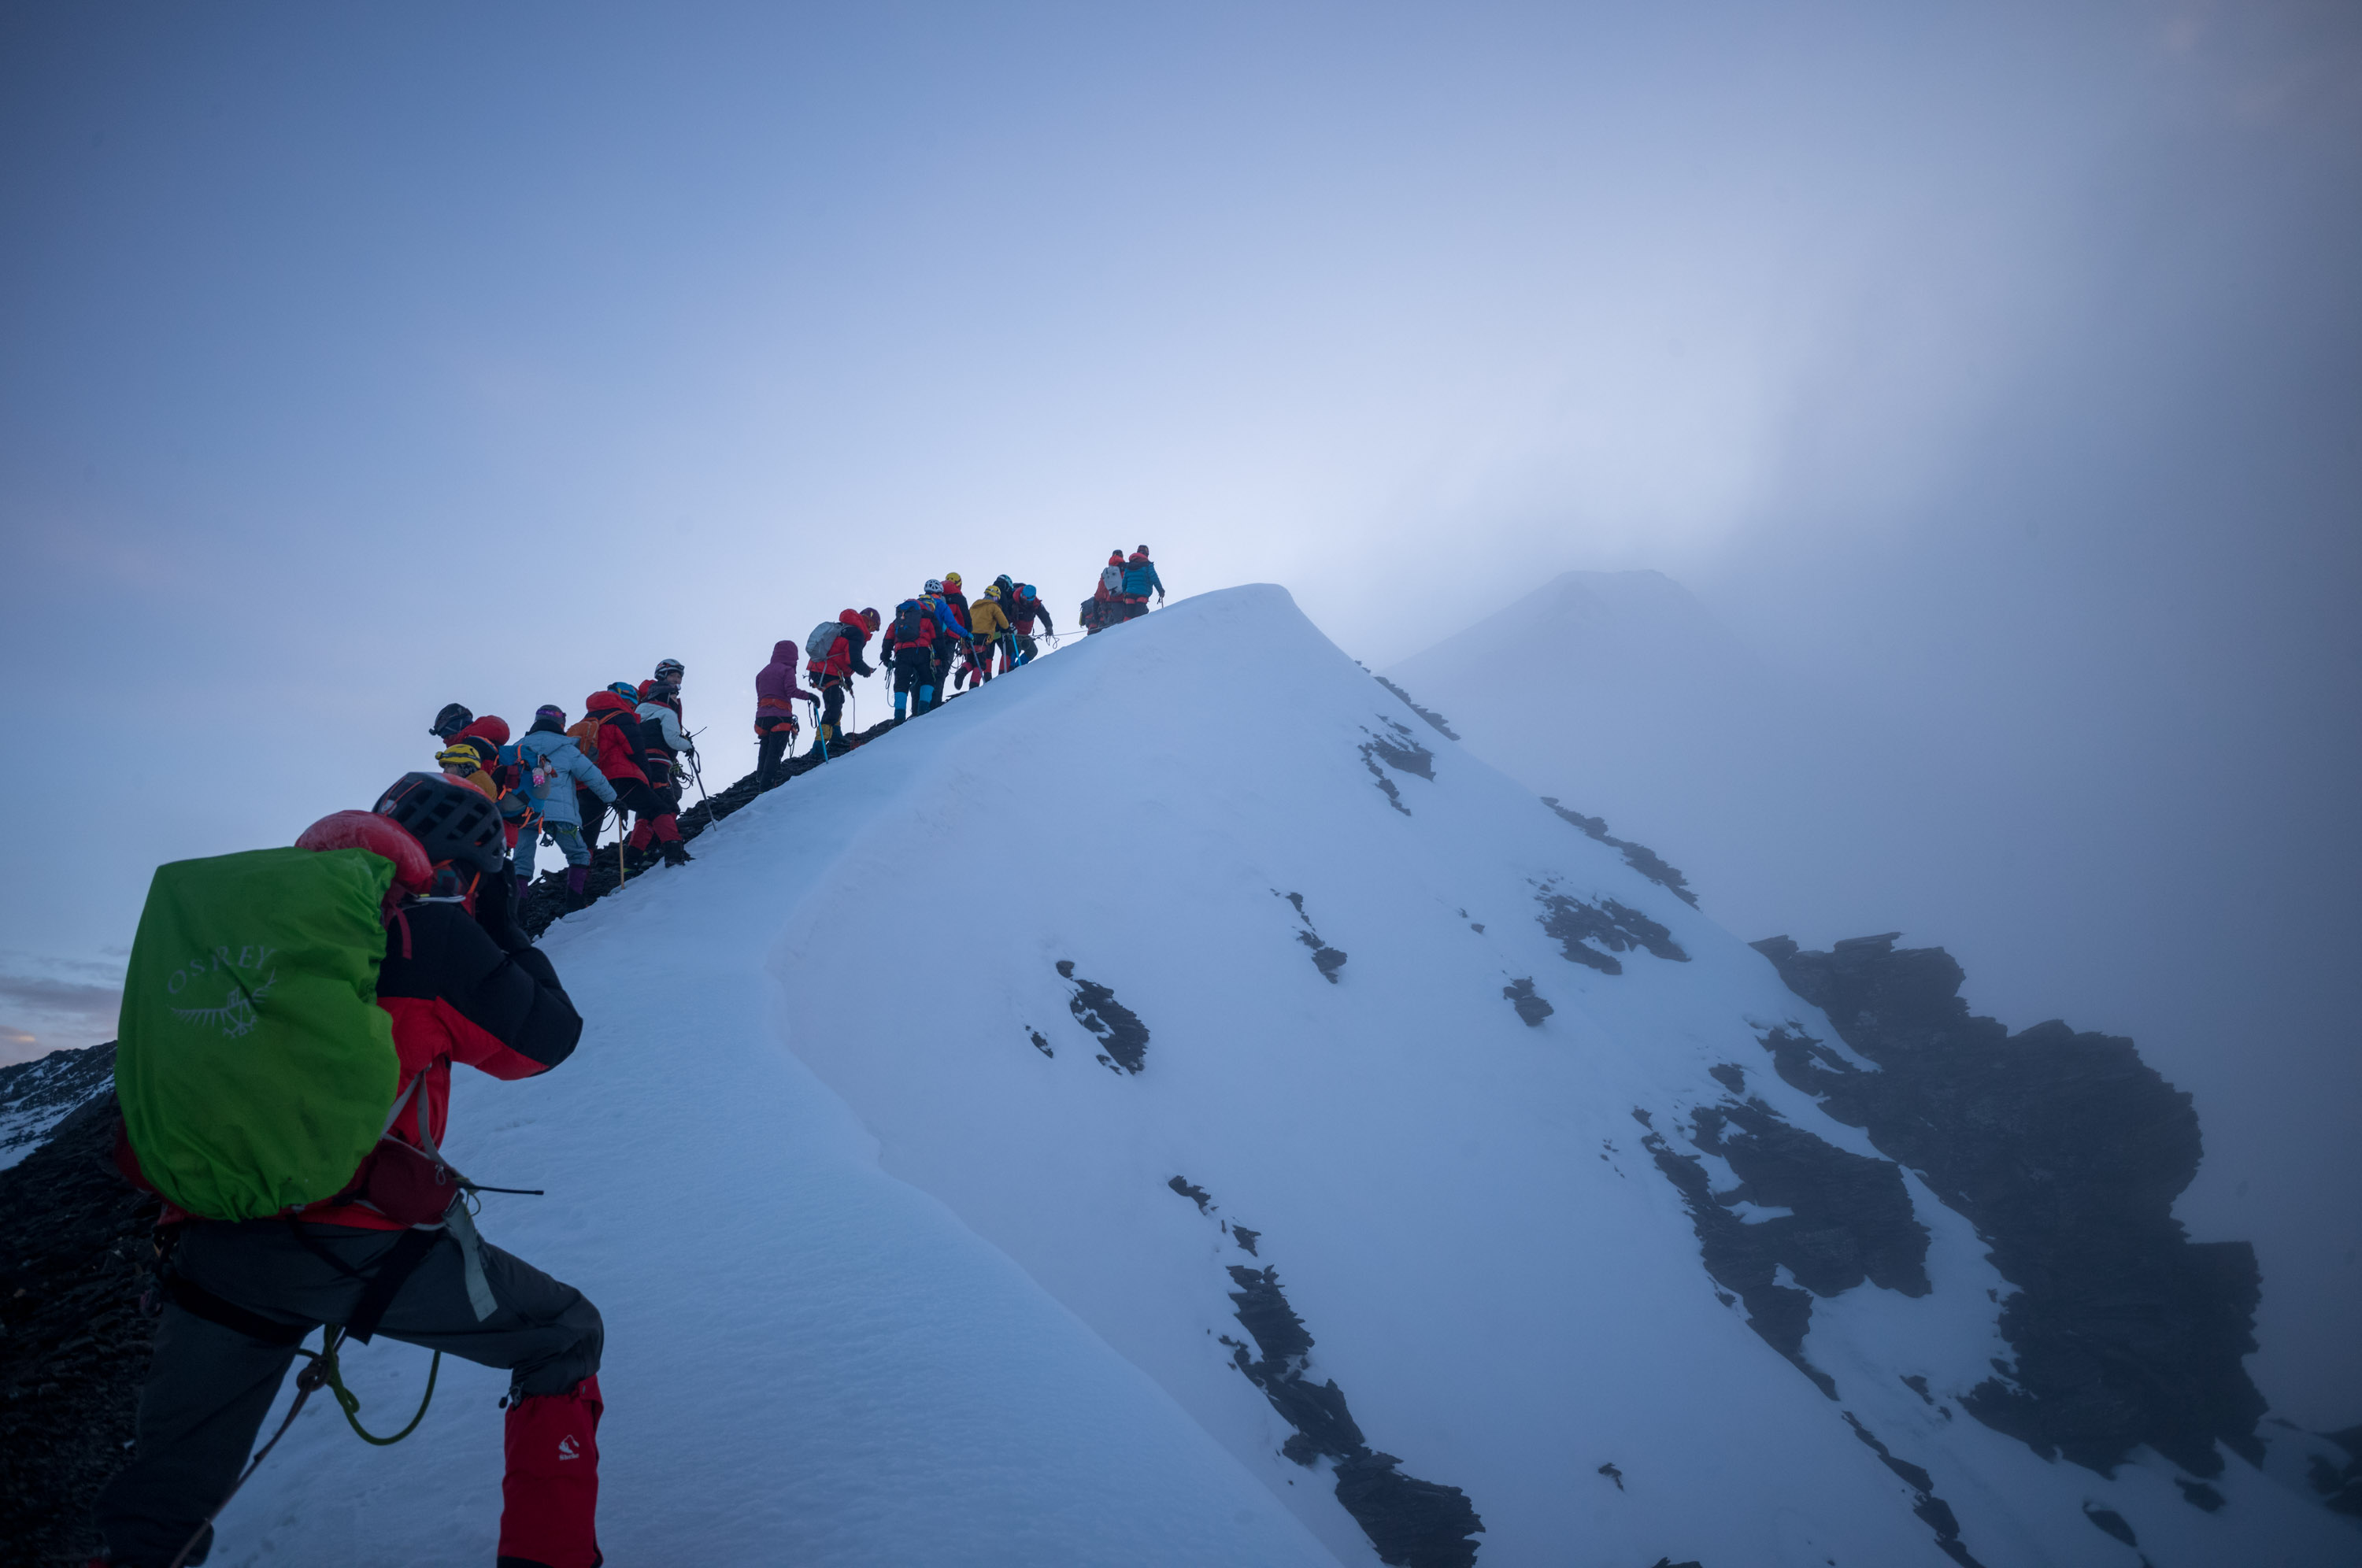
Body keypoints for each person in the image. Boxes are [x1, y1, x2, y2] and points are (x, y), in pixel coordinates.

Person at [95, 776, 603, 1568]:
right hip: (354, 1242)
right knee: (564, 1335)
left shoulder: (246, 923)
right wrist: (504, 932)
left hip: (212, 1243)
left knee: (165, 1508)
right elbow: (546, 1041)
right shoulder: (427, 932)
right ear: (456, 869)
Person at [514, 704, 613, 908]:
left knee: (521, 861)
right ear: (561, 724)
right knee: (579, 854)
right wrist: (613, 798)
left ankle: (518, 914)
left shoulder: (519, 747)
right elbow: (593, 777)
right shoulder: (567, 749)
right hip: (559, 815)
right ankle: (574, 906)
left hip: (524, 812)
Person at [583, 683, 687, 867]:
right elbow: (635, 750)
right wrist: (645, 777)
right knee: (659, 807)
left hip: (590, 782)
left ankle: (581, 882)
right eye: (632, 704)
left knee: (588, 836)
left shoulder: (588, 720)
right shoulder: (623, 716)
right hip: (622, 777)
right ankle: (674, 854)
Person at [628, 667, 696, 867]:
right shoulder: (667, 712)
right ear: (666, 695)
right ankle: (673, 852)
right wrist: (688, 746)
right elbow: (673, 740)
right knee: (667, 806)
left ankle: (632, 860)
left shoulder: (637, 712)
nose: (676, 698)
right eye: (673, 695)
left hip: (639, 766)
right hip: (659, 763)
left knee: (646, 810)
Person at [806, 608, 880, 756]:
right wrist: (866, 671)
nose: (872, 631)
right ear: (869, 621)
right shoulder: (857, 633)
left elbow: (841, 657)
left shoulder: (847, 628)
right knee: (834, 705)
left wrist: (848, 681)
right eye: (874, 627)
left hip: (821, 669)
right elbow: (853, 660)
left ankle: (836, 735)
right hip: (826, 670)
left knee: (838, 699)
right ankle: (819, 745)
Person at [754, 640, 818, 786]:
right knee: (775, 752)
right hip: (780, 717)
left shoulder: (762, 673)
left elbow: (760, 697)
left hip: (761, 718)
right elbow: (791, 691)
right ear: (792, 656)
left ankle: (760, 776)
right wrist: (810, 696)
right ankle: (766, 784)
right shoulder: (786, 670)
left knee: (765, 746)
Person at [887, 594, 948, 719]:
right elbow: (937, 638)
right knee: (927, 679)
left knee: (901, 684)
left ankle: (899, 716)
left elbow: (888, 639)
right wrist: (943, 657)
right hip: (922, 652)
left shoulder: (900, 618)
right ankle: (923, 709)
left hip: (902, 653)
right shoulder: (929, 616)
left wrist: (885, 658)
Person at [968, 584, 1011, 684]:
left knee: (970, 661)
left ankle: (963, 672)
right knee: (980, 664)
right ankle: (974, 686)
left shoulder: (975, 605)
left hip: (970, 637)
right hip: (984, 637)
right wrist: (1007, 628)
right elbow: (1004, 623)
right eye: (996, 598)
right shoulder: (994, 606)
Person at [1006, 582, 1054, 667]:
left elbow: (1044, 615)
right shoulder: (1014, 600)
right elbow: (1005, 614)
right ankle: (1010, 668)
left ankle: (1017, 668)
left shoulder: (1036, 604)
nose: (1023, 599)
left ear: (1032, 598)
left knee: (1033, 651)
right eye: (1023, 596)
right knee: (1016, 649)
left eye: (1026, 598)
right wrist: (1008, 626)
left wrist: (1049, 626)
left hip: (1025, 634)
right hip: (1013, 632)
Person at [1119, 545, 1165, 621]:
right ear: (1146, 554)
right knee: (1139, 617)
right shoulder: (1148, 565)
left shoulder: (1129, 566)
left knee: (1128, 616)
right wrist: (1160, 590)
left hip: (1130, 594)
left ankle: (1126, 628)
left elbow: (1124, 582)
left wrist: (1124, 593)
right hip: (1143, 594)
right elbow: (1154, 578)